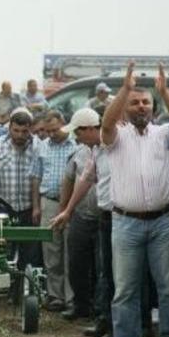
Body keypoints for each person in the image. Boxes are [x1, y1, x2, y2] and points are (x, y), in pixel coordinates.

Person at [100, 62, 169, 337]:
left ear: (152, 106)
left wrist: (164, 92)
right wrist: (124, 89)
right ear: (125, 108)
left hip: (163, 220)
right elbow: (106, 125)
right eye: (134, 102)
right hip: (126, 222)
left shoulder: (164, 134)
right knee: (125, 288)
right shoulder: (116, 137)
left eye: (145, 102)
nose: (140, 107)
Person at [0, 110, 41, 269]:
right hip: (5, 208)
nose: (19, 135)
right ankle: (8, 288)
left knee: (29, 254)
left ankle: (27, 288)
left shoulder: (38, 145)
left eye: (24, 131)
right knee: (5, 252)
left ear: (30, 129)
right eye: (16, 131)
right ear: (9, 128)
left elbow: (37, 178)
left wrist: (37, 207)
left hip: (29, 209)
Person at [57, 108, 101, 321]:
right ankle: (81, 305)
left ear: (90, 129)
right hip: (82, 215)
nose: (75, 136)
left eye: (78, 131)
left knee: (101, 267)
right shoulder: (77, 153)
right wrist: (65, 210)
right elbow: (68, 181)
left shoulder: (107, 149)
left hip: (104, 218)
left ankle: (99, 309)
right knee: (77, 264)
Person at [32, 110, 77, 312]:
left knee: (71, 251)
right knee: (51, 251)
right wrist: (36, 206)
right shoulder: (41, 147)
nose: (51, 134)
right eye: (47, 131)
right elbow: (36, 177)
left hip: (72, 204)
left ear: (64, 124)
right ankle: (55, 295)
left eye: (55, 130)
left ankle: (71, 298)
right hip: (49, 202)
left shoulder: (77, 145)